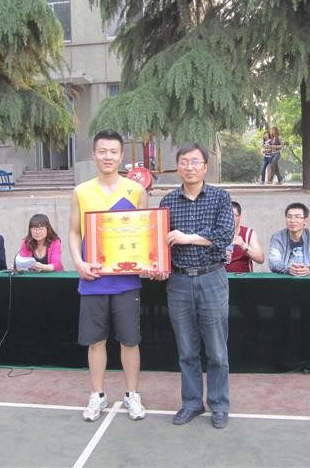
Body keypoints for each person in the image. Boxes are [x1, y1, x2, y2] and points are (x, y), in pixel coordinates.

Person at [68, 129, 148, 422]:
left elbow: (144, 233)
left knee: (130, 341)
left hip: (126, 280)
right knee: (95, 341)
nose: (108, 157)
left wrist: (147, 261)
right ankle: (97, 395)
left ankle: (132, 395)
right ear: (94, 154)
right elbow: (74, 232)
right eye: (102, 151)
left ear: (121, 155)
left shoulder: (136, 191)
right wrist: (79, 262)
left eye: (113, 152)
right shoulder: (81, 191)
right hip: (93, 279)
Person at [157, 143, 234, 429]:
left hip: (212, 278)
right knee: (187, 350)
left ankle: (219, 405)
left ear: (205, 167)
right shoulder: (167, 201)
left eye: (195, 162)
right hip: (178, 281)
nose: (189, 167)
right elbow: (159, 241)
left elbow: (224, 235)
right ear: (178, 167)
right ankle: (191, 403)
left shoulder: (220, 197)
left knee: (216, 350)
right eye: (184, 162)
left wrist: (187, 237)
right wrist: (156, 265)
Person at [269, 202, 310, 276]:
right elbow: (274, 262)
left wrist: (308, 270)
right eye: (289, 217)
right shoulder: (277, 237)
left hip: (307, 278)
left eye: (297, 217)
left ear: (305, 221)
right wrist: (288, 270)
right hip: (284, 277)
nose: (292, 220)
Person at [225, 201, 265, 273]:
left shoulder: (248, 233)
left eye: (234, 215)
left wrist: (243, 245)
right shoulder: (216, 234)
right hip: (220, 278)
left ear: (240, 217)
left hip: (244, 277)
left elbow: (261, 259)